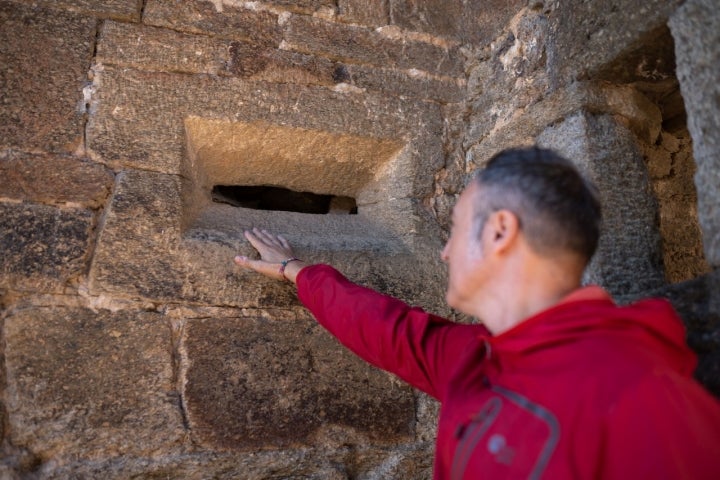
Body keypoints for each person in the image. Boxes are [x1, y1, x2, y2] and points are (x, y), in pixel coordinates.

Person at [234, 147, 720, 479]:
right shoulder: (477, 358)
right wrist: (296, 271)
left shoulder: (647, 397)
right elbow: (389, 331)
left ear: (499, 232)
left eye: (454, 229)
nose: (444, 252)